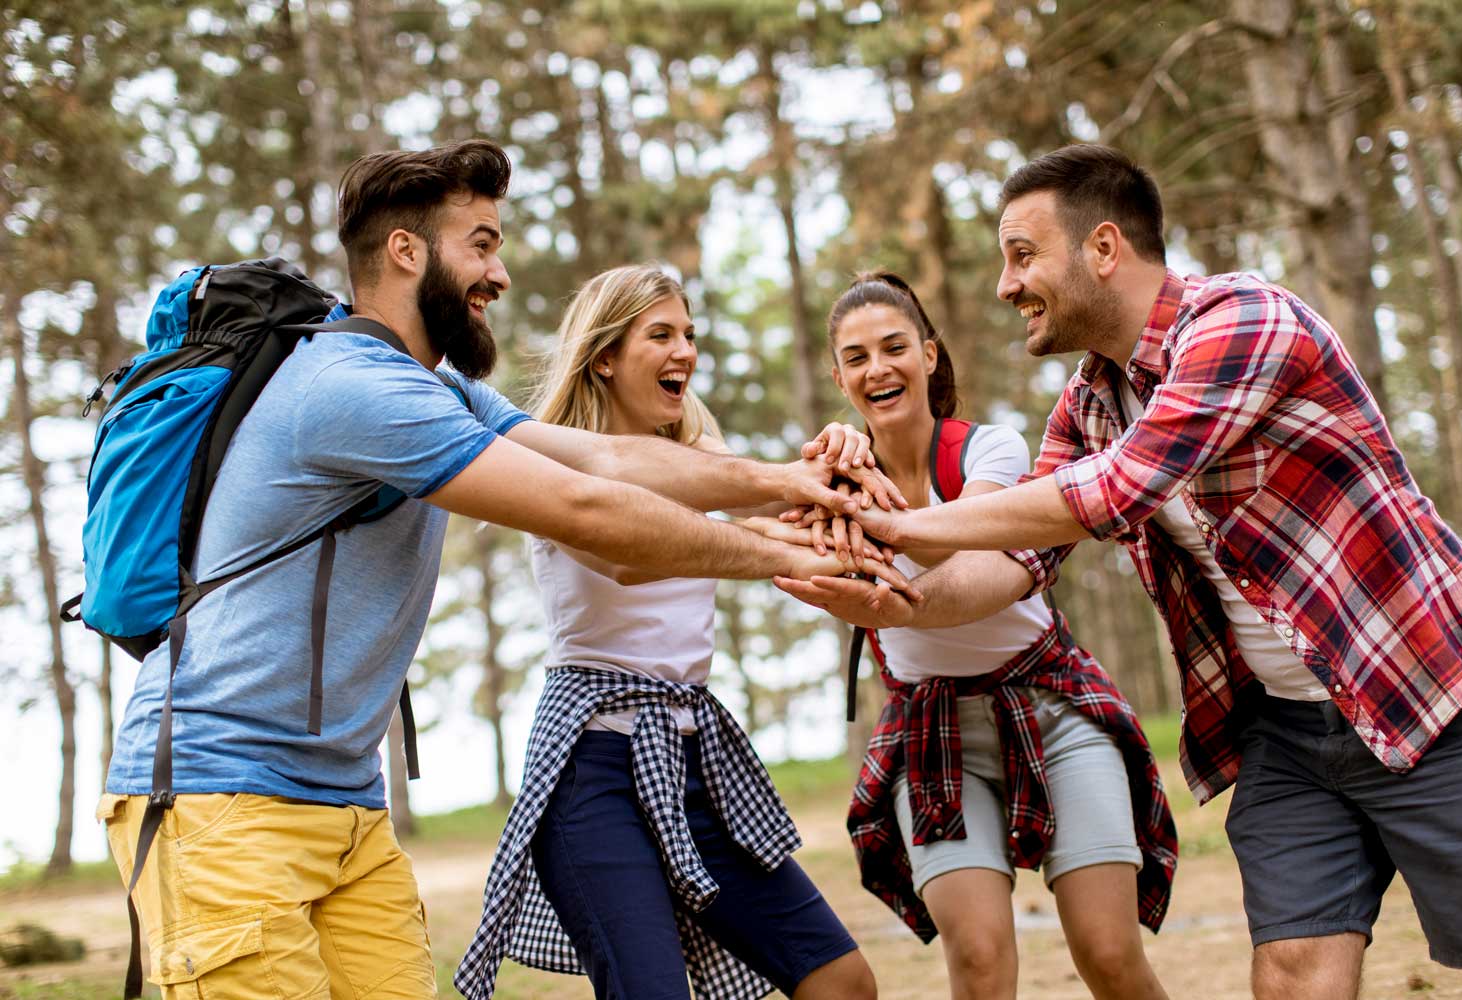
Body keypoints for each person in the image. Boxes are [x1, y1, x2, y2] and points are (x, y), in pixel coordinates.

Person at [99, 139, 911, 999]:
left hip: (343, 806)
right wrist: (800, 548)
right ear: (408, 252)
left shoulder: (438, 388)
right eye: (481, 244)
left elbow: (609, 463)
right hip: (219, 797)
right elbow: (587, 511)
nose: (501, 273)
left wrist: (787, 481)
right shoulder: (354, 387)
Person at [780, 144, 1462, 1000]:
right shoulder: (1090, 400)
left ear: (1104, 248)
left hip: (1428, 694)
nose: (1007, 286)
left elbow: (1117, 488)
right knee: (1294, 973)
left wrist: (895, 523)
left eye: (1022, 256)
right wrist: (882, 596)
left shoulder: (1243, 320)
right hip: (1288, 735)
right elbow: (1015, 565)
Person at [456, 263, 878, 1000]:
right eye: (661, 334)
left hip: (691, 752)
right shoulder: (548, 461)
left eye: (689, 334)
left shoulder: (698, 449)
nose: (684, 350)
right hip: (592, 763)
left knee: (840, 982)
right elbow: (626, 555)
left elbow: (780, 502)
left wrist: (834, 456)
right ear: (607, 356)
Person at [816, 271, 1174, 1000]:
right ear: (839, 378)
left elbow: (968, 547)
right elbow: (839, 597)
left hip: (1052, 710)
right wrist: (828, 487)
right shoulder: (831, 481)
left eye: (893, 348)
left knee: (1107, 952)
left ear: (930, 355)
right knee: (979, 962)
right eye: (856, 358)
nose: (877, 369)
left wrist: (878, 518)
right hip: (933, 729)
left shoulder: (992, 449)